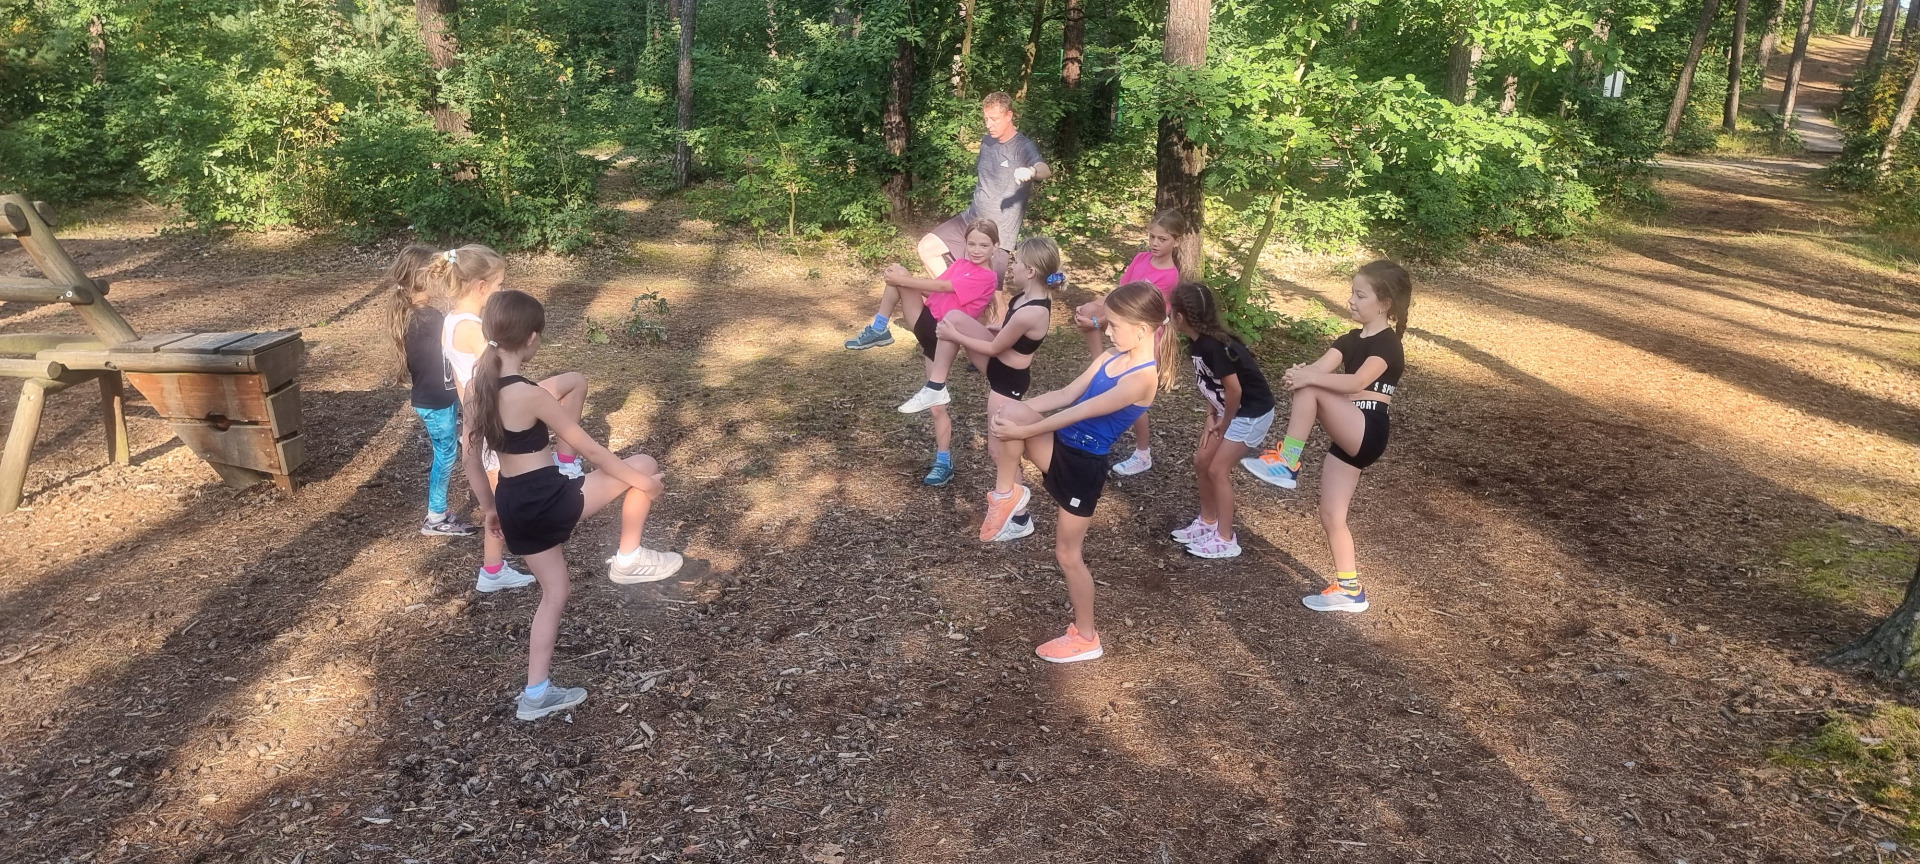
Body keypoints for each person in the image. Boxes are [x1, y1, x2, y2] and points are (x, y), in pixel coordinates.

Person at [459, 289, 683, 721]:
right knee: (643, 464)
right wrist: (644, 485)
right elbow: (592, 450)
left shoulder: (476, 391)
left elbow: (470, 461)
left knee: (555, 593)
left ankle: (536, 694)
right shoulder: (530, 394)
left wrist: (489, 509)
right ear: (531, 338)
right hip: (549, 499)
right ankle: (629, 558)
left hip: (512, 503)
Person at [978, 281, 1177, 662]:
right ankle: (1007, 495)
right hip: (1060, 447)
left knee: (1068, 555)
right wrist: (1018, 413)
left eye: (1114, 324)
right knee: (1008, 411)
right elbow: (1066, 395)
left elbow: (1080, 412)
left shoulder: (1143, 378)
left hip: (1083, 469)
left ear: (1141, 329)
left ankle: (1086, 637)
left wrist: (1024, 429)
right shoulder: (1111, 357)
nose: (1107, 330)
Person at [1240, 260, 1412, 614]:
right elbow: (1319, 369)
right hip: (1349, 432)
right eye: (1352, 293)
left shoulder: (1389, 344)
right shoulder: (1348, 340)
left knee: (1313, 388)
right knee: (1332, 514)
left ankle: (1287, 461)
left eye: (1360, 295)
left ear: (1384, 303)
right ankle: (1350, 590)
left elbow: (1355, 382)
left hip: (1368, 428)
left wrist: (1309, 380)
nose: (1351, 300)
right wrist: (1298, 373)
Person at [432, 245, 587, 593]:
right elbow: (499, 370)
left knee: (574, 382)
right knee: (501, 497)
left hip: (488, 408)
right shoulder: (475, 330)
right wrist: (527, 397)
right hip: (499, 410)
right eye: (500, 284)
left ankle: (493, 568)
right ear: (480, 286)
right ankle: (566, 465)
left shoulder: (451, 319)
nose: (502, 290)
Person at [921, 236, 1063, 489]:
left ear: (1030, 271)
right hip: (998, 362)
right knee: (955, 317)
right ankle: (935, 387)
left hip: (1008, 380)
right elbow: (1011, 333)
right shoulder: (1022, 297)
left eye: (1016, 263)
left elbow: (994, 348)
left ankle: (1016, 507)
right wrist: (999, 328)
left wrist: (956, 337)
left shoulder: (1034, 310)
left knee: (999, 453)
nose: (1012, 267)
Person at [1071, 209, 1185, 477]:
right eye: (1152, 237)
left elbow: (1138, 315)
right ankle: (1100, 364)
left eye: (1162, 239)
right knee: (1088, 310)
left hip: (1142, 335)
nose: (1155, 243)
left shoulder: (1169, 276)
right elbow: (1119, 293)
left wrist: (1097, 323)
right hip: (1123, 324)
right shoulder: (1141, 259)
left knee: (1132, 399)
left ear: (1176, 241)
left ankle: (1143, 454)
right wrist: (1092, 307)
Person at [1167, 282, 1275, 560]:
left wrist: (1223, 423)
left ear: (1180, 317)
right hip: (1229, 412)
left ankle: (1226, 539)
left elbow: (1234, 390)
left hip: (1251, 413)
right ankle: (1208, 521)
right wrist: (1211, 416)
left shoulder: (1213, 347)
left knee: (1217, 470)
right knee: (1202, 462)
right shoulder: (1198, 344)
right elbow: (1211, 385)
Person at [380, 243, 473, 538]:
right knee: (445, 456)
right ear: (424, 279)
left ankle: (438, 512)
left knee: (447, 452)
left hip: (438, 398)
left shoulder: (420, 315)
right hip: (435, 402)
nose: (440, 282)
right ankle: (435, 518)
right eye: (436, 275)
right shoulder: (426, 318)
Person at [913, 91, 1050, 281]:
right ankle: (953, 293)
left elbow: (1045, 170)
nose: (988, 124)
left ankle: (962, 293)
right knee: (927, 248)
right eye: (986, 119)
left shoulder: (1023, 147)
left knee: (991, 294)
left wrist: (1032, 171)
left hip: (997, 234)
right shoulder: (987, 142)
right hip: (971, 220)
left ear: (1009, 116)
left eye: (994, 119)